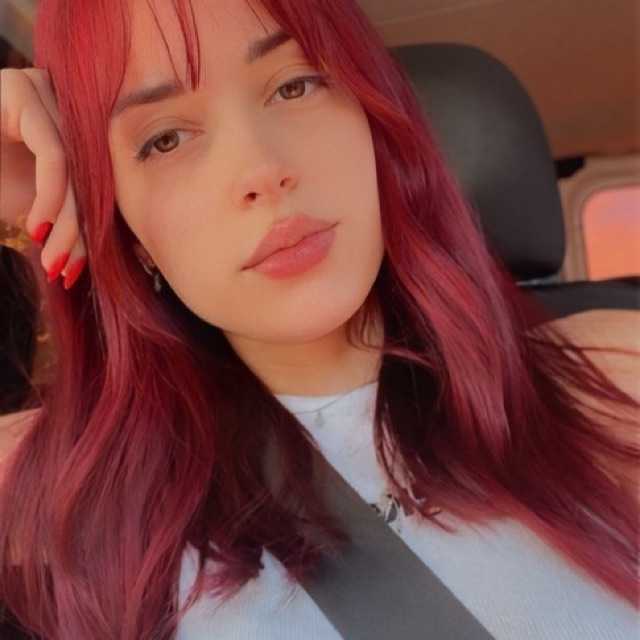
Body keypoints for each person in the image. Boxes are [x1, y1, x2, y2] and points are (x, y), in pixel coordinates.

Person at [0, 0, 637, 638]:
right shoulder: (64, 485)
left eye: (294, 85)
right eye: (165, 139)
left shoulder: (614, 373)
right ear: (124, 225)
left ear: (370, 114)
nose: (262, 170)